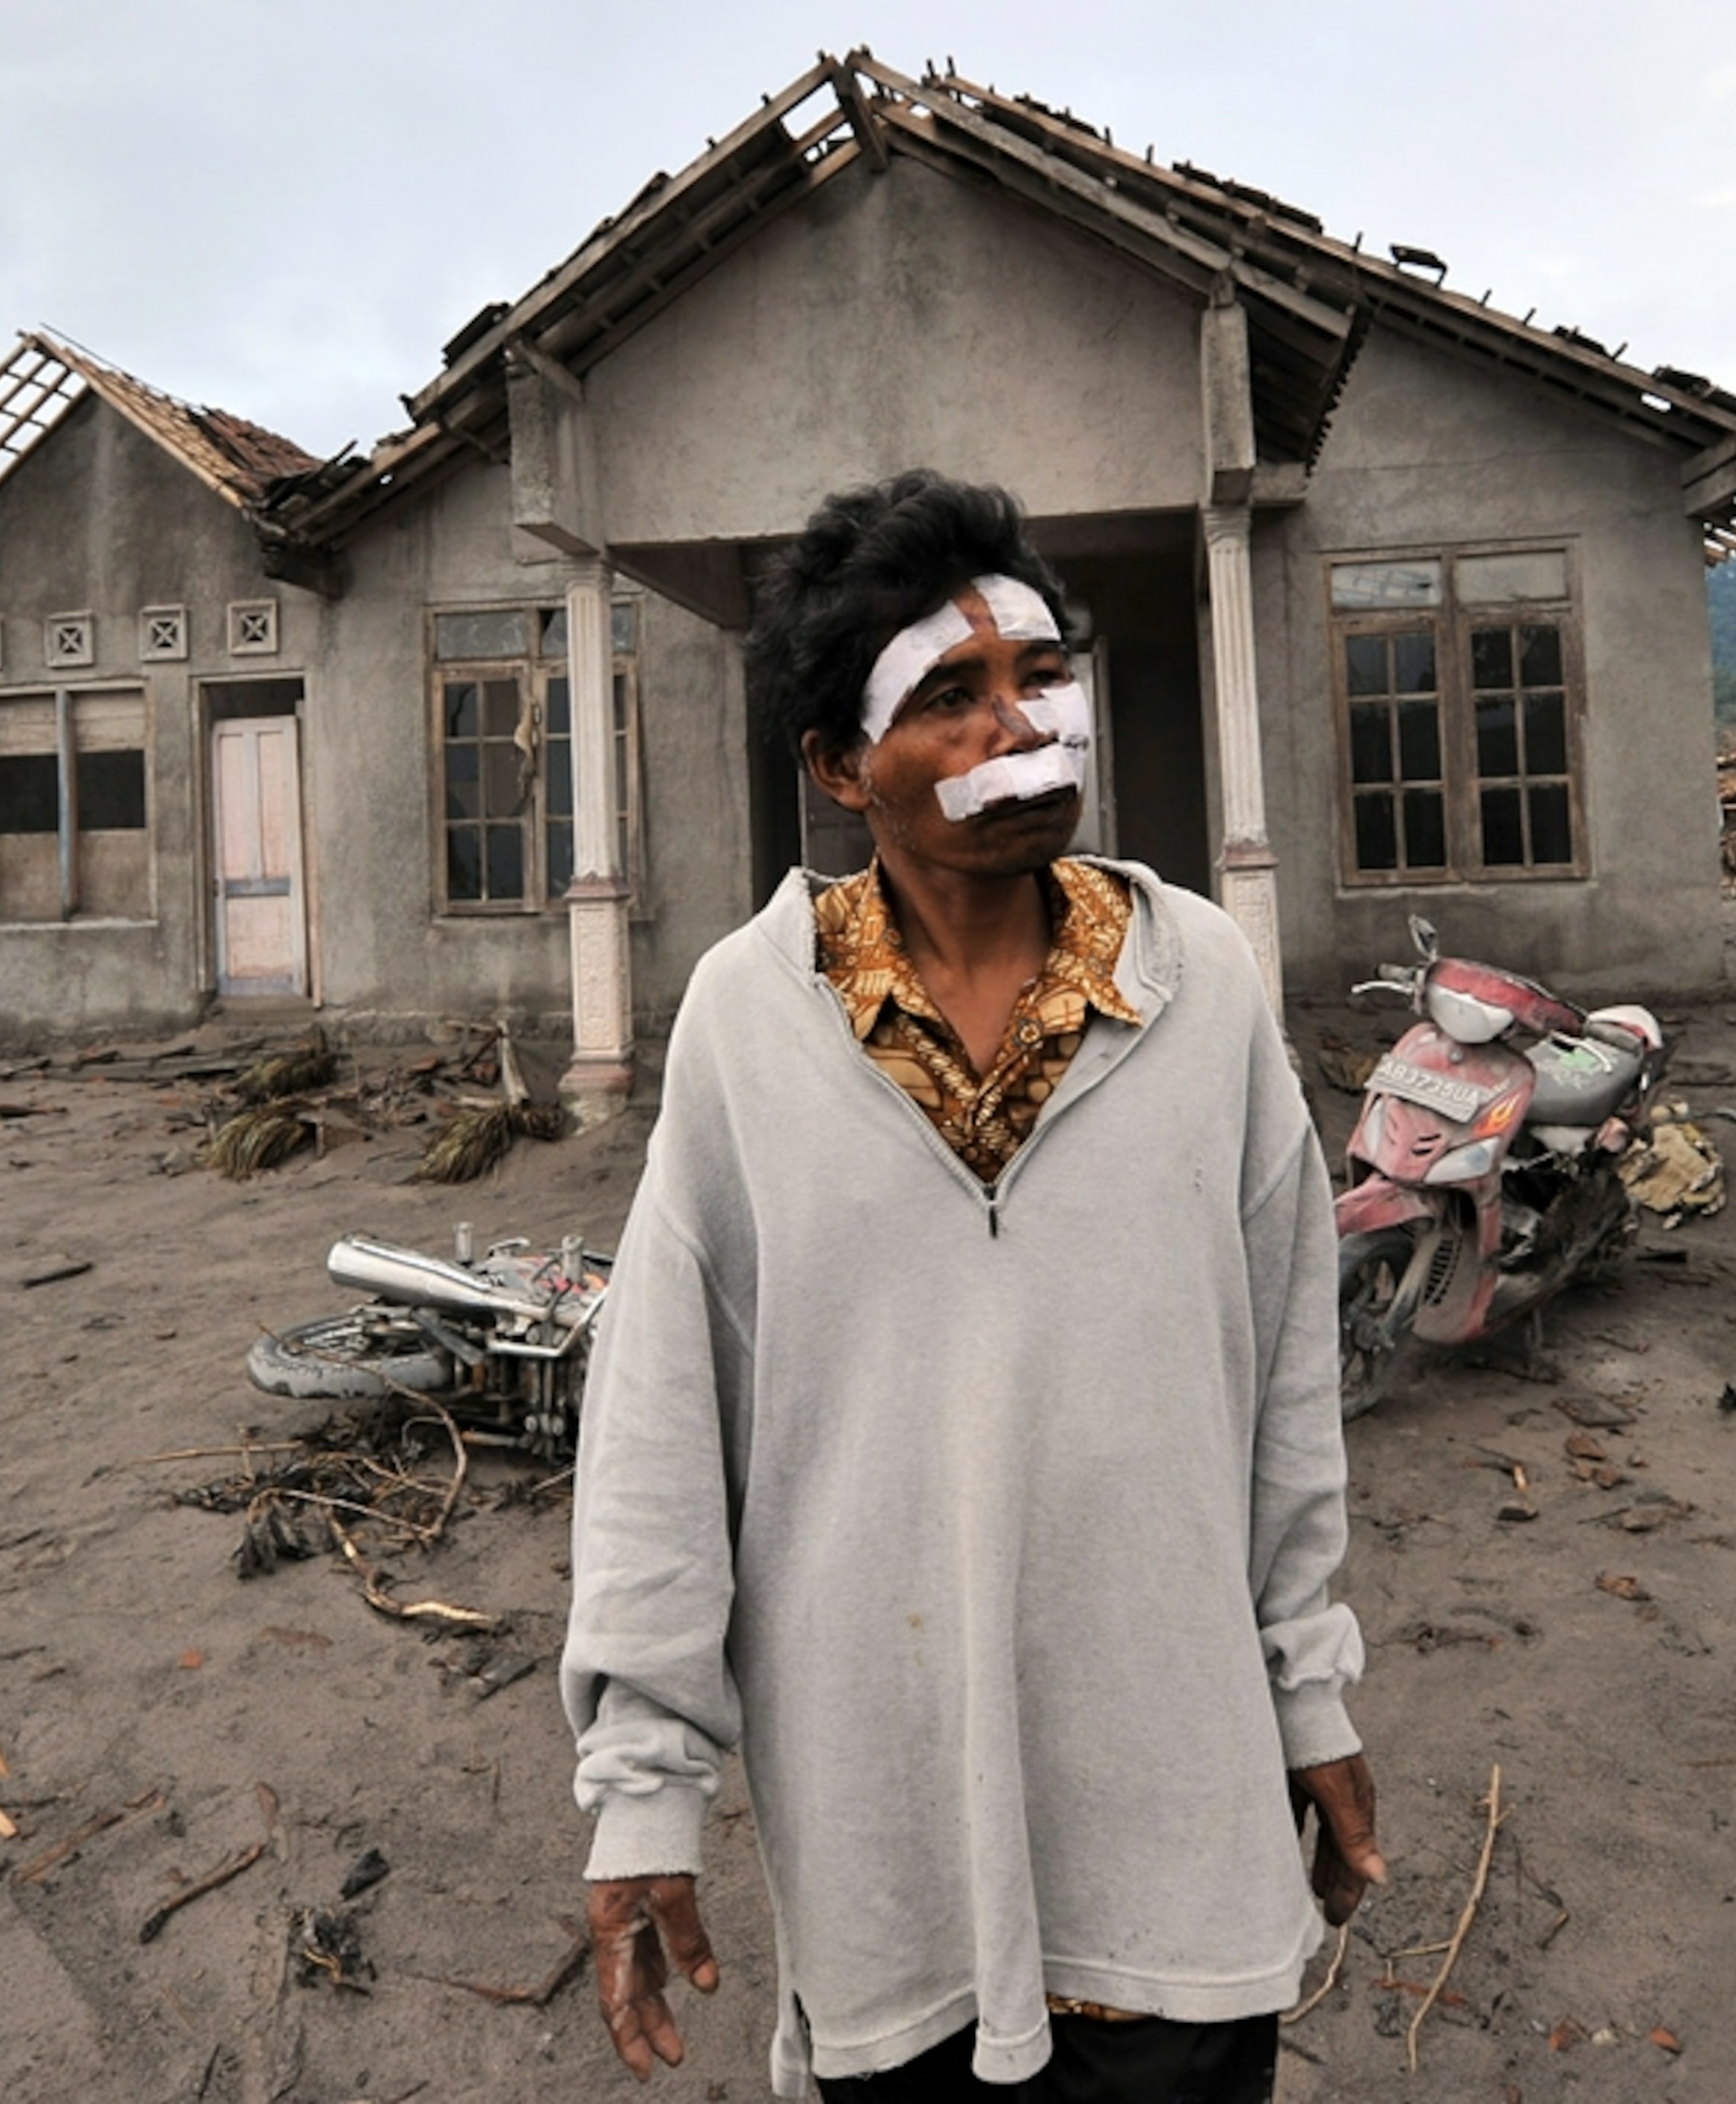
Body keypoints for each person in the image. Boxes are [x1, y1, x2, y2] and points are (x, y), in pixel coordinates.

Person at [559, 470, 1381, 2101]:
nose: (1023, 724)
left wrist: (1310, 1685)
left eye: (1042, 676)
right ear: (837, 765)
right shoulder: (747, 1019)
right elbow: (660, 1420)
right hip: (888, 1847)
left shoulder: (1198, 984)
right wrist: (644, 1783)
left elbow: (1289, 1372)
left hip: (1175, 1812)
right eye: (952, 694)